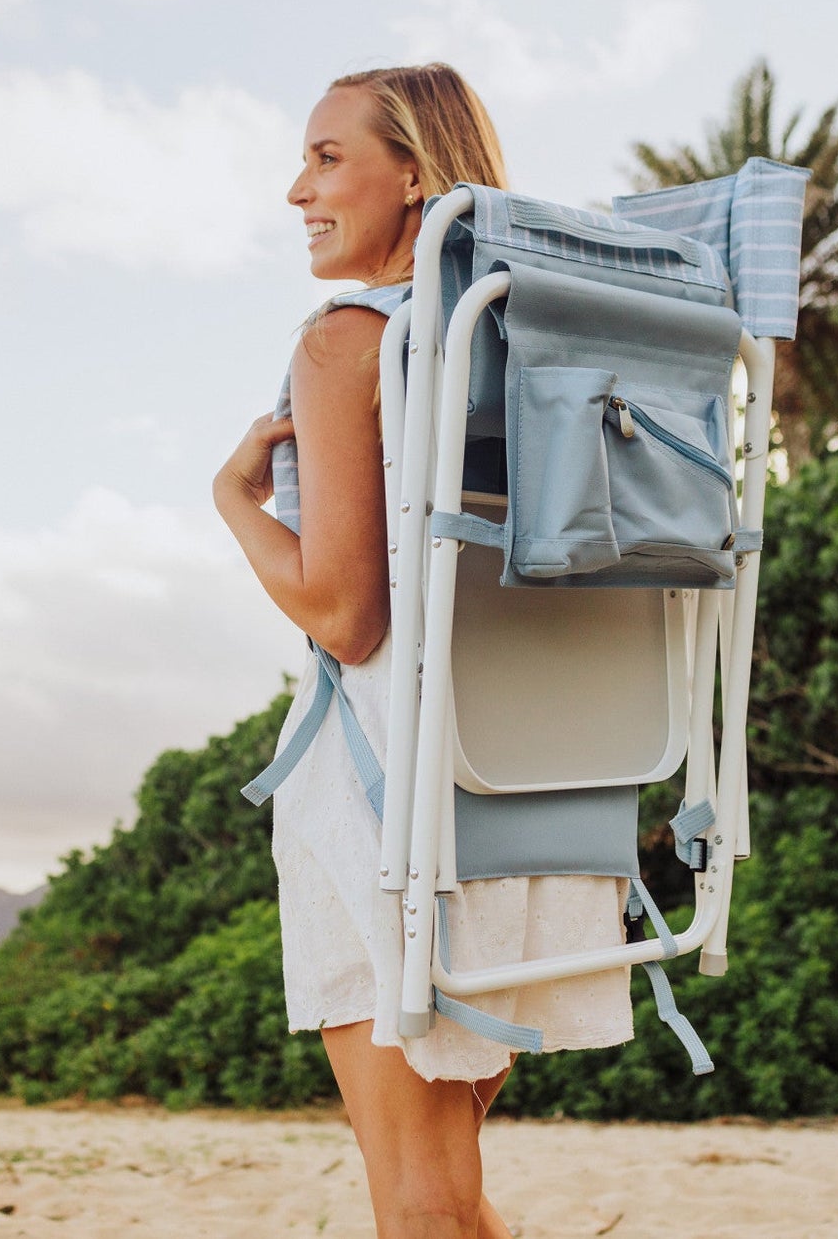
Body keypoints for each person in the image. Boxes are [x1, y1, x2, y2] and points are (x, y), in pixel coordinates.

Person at [214, 63, 632, 1239]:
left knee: (421, 1200)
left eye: (325, 157)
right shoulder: (532, 345)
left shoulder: (352, 339)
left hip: (397, 808)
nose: (296, 189)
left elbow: (345, 614)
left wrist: (233, 501)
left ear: (411, 174)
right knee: (446, 1184)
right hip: (544, 796)